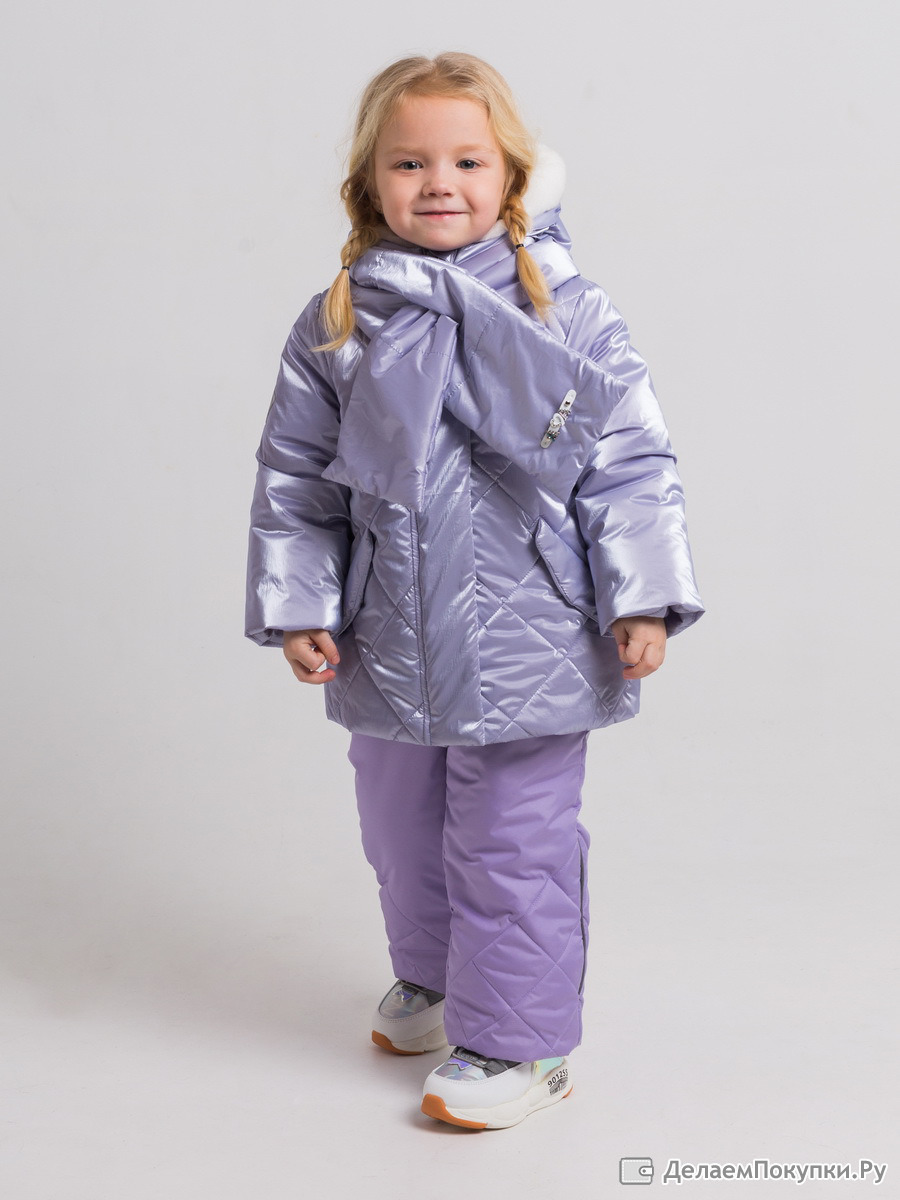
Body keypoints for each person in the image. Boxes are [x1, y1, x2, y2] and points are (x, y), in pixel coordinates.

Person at [245, 51, 705, 1130]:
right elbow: (296, 477)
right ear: (370, 184)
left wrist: (640, 597)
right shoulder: (341, 320)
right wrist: (302, 603)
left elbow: (631, 465)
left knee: (511, 839)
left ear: (512, 177)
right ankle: (439, 978)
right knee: (400, 823)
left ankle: (521, 1043)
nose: (439, 182)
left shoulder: (565, 312)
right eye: (409, 163)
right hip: (389, 634)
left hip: (534, 630)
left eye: (466, 161)